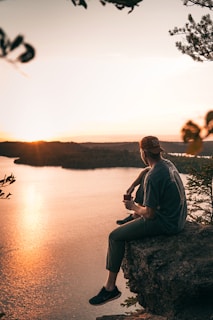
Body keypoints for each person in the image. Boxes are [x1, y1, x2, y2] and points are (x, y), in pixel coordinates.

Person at [89, 135, 187, 306]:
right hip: (179, 217)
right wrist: (133, 185)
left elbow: (149, 214)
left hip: (167, 223)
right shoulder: (166, 164)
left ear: (143, 152)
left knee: (114, 236)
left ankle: (110, 288)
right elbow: (146, 171)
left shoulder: (154, 176)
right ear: (158, 151)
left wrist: (133, 206)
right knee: (144, 184)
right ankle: (134, 217)